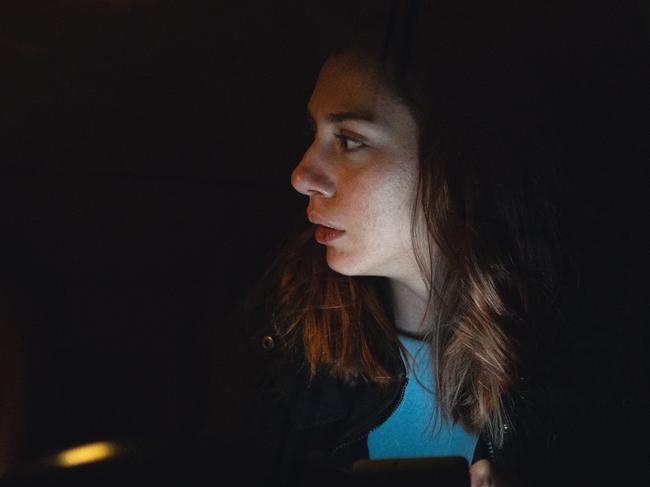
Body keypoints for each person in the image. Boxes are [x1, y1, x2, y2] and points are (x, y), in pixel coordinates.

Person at [206, 1, 647, 486]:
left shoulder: (602, 367)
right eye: (314, 133)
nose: (302, 176)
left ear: (460, 162)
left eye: (350, 139)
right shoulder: (281, 342)